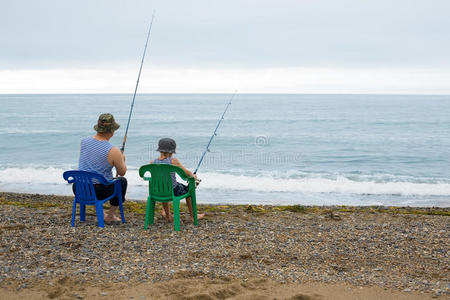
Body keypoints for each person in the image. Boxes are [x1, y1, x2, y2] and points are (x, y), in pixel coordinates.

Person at [76, 113, 127, 223]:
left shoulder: (84, 141)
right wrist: (122, 159)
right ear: (112, 131)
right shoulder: (113, 150)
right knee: (122, 181)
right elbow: (122, 172)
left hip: (79, 188)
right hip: (99, 191)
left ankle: (102, 214)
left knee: (93, 179)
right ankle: (110, 215)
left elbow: (91, 161)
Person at [151, 138, 205, 222]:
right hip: (173, 190)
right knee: (189, 190)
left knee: (164, 186)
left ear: (160, 149)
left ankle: (168, 215)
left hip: (156, 191)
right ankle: (193, 216)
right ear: (172, 151)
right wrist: (193, 176)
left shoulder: (152, 162)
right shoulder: (173, 161)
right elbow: (186, 173)